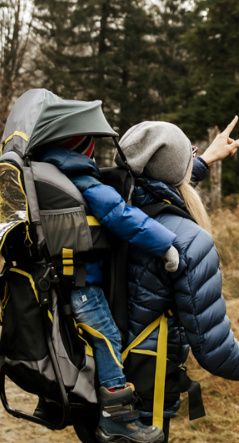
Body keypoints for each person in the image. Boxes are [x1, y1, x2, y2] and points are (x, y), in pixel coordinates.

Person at [118, 118, 239, 440]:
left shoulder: (113, 210)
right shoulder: (190, 243)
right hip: (144, 400)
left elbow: (159, 183)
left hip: (102, 385)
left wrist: (205, 159)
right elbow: (218, 353)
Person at [37, 134, 178, 443]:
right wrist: (165, 244)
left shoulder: (43, 174)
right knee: (107, 340)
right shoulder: (82, 179)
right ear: (80, 147)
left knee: (69, 343)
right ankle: (116, 417)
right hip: (84, 285)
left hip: (56, 284)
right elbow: (120, 215)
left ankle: (51, 401)